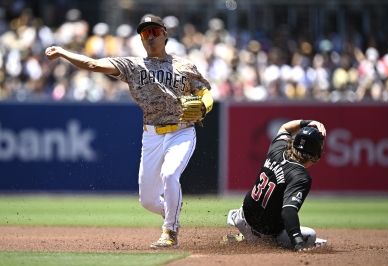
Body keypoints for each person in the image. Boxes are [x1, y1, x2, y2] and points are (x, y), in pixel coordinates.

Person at [45, 15, 213, 249]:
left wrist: (206, 105)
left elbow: (204, 92)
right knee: (147, 200)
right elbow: (92, 64)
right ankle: (173, 209)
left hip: (181, 131)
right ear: (141, 39)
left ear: (165, 34)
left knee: (169, 174)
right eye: (145, 33)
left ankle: (170, 232)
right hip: (152, 134)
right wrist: (63, 52)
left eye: (154, 31)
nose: (150, 37)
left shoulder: (185, 66)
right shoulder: (132, 66)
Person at [225, 119, 327, 251]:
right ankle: (247, 241)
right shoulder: (300, 176)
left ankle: (244, 236)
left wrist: (306, 123)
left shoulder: (278, 149)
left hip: (242, 216)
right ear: (315, 154)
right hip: (263, 235)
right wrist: (298, 241)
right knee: (311, 237)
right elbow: (288, 210)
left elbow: (285, 128)